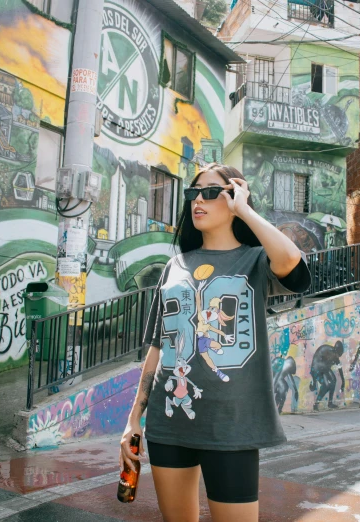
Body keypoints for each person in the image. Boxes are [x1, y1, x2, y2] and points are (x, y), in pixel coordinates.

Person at [119, 164, 311, 521]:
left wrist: (246, 209)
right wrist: (134, 420)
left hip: (233, 425)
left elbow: (291, 263)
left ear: (235, 195)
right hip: (170, 422)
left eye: (212, 192)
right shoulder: (174, 265)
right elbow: (159, 348)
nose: (198, 201)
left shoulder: (255, 260)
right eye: (194, 193)